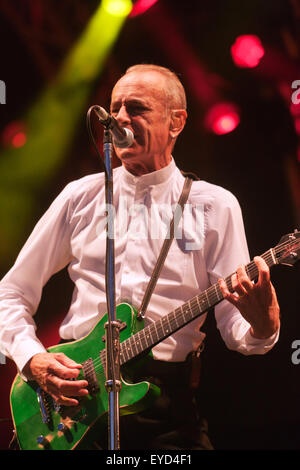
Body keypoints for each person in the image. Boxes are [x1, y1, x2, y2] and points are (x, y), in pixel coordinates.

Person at [0, 64, 280, 450]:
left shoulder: (215, 206)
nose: (119, 119)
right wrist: (31, 359)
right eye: (115, 108)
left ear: (176, 122)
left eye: (137, 108)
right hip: (75, 396)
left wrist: (263, 325)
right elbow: (10, 292)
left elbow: (236, 326)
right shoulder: (80, 196)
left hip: (166, 410)